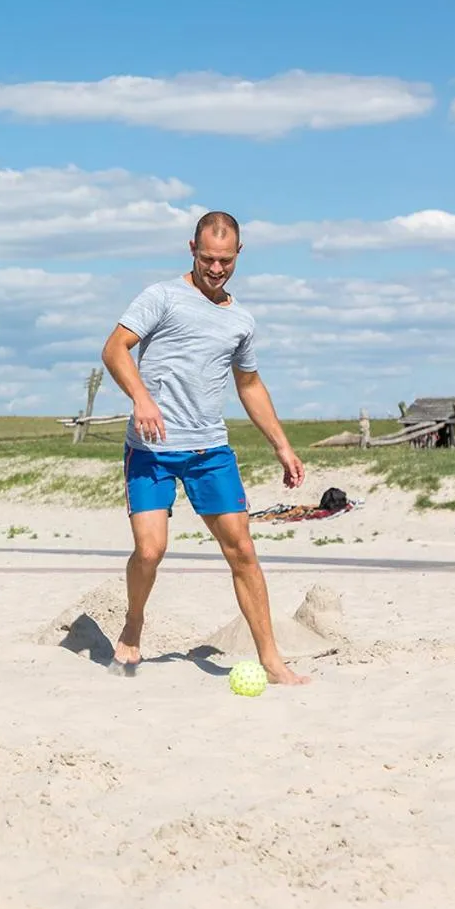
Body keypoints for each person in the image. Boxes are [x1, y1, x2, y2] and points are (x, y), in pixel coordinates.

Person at [100, 211, 309, 687]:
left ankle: (272, 660)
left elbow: (250, 385)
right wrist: (141, 398)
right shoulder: (161, 297)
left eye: (226, 260)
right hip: (150, 450)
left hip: (209, 450)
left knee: (242, 552)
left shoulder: (240, 319)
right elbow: (115, 349)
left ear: (239, 255)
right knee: (150, 551)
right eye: (208, 258)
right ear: (191, 248)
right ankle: (134, 622)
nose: (216, 269)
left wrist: (282, 446)